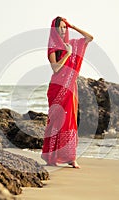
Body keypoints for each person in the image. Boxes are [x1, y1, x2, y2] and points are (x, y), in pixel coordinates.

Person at [41, 16, 93, 168]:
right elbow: (56, 68)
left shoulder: (72, 44)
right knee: (56, 121)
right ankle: (53, 156)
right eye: (61, 27)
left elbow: (90, 38)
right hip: (57, 89)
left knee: (70, 119)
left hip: (70, 88)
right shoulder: (53, 47)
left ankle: (71, 157)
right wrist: (68, 54)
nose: (63, 30)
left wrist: (74, 26)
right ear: (55, 29)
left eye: (65, 27)